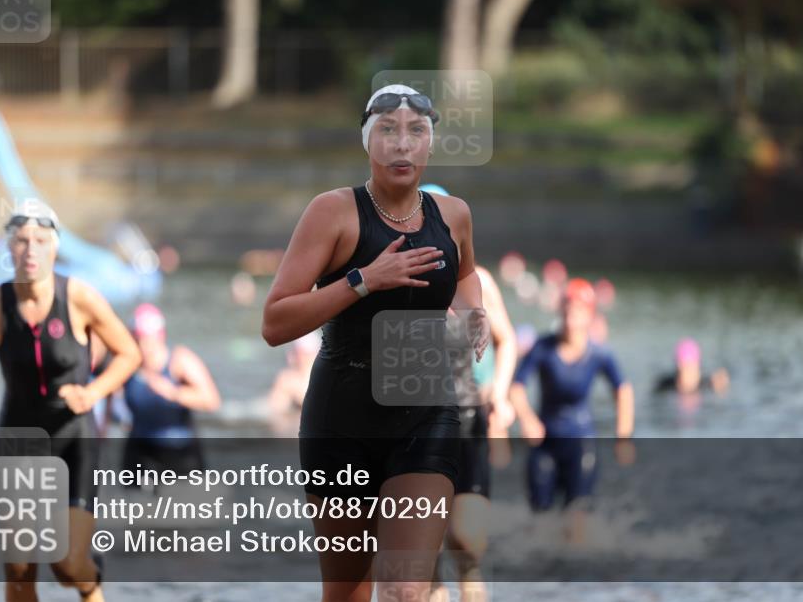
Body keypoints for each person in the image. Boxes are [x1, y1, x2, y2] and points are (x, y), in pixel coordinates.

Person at [262, 84, 489, 602]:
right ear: (367, 141)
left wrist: (476, 312)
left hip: (425, 412)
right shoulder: (333, 212)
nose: (401, 145)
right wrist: (364, 280)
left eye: (416, 132)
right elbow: (274, 323)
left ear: (431, 144)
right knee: (347, 593)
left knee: (407, 589)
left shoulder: (453, 214)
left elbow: (467, 272)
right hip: (342, 417)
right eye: (387, 131)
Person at [0, 199, 142, 602]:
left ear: (55, 246)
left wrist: (93, 392)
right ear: (9, 247)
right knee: (18, 568)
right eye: (21, 240)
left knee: (67, 565)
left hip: (72, 440)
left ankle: (91, 582)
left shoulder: (80, 298)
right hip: (17, 442)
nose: (30, 249)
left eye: (39, 240)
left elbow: (130, 353)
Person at [418, 186, 516, 602]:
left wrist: (502, 391)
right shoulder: (405, 276)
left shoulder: (481, 281)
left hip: (471, 410)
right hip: (417, 421)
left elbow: (506, 339)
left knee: (468, 542)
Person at [508, 278, 634, 538]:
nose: (569, 315)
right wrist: (527, 419)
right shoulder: (543, 348)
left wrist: (623, 436)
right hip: (544, 442)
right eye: (566, 308)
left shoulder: (599, 353)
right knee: (540, 517)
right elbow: (516, 386)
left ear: (589, 315)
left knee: (577, 518)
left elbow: (622, 390)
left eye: (576, 309)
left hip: (580, 441)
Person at [120, 303, 221, 482]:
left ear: (161, 337)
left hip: (179, 452)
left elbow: (211, 400)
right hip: (139, 452)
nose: (144, 347)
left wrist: (173, 393)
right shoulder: (127, 364)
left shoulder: (179, 360)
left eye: (149, 340)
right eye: (139, 339)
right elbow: (109, 400)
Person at [654, 338, 730, 395]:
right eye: (687, 369)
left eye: (693, 369)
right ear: (679, 367)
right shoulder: (665, 385)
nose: (690, 375)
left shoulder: (707, 385)